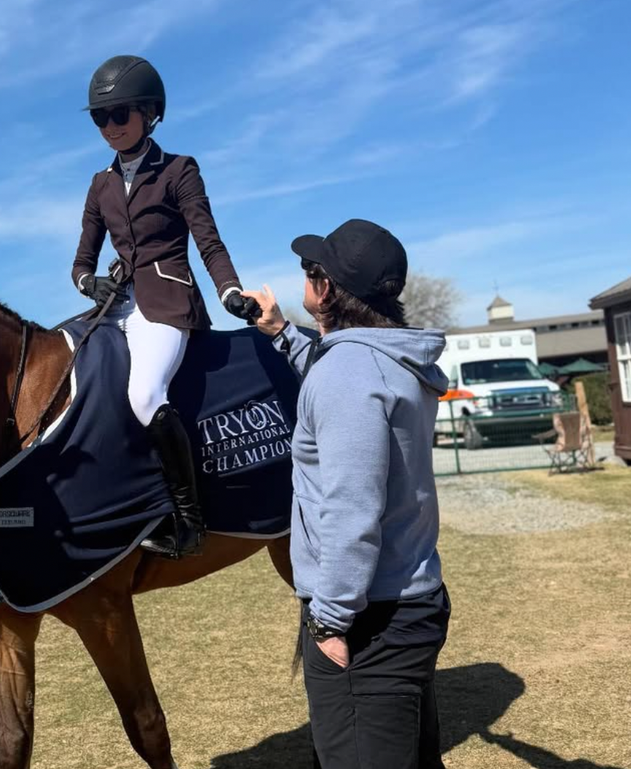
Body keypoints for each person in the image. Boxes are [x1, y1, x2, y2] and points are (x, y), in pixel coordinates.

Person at [243, 219, 452, 768]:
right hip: (409, 600)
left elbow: (351, 509)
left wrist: (330, 622)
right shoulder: (386, 360)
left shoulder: (349, 375)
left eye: (310, 272)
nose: (304, 281)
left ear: (328, 289)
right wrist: (282, 332)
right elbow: (338, 372)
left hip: (367, 625)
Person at [72, 55, 258, 558]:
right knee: (75, 382)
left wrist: (230, 292)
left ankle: (188, 520)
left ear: (150, 112)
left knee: (144, 393)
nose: (109, 127)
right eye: (99, 118)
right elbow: (81, 262)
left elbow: (209, 243)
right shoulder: (99, 184)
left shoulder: (179, 170)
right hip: (115, 304)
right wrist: (90, 285)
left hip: (166, 299)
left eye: (120, 114)